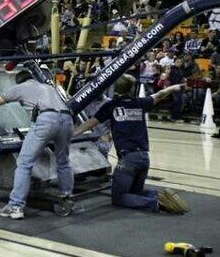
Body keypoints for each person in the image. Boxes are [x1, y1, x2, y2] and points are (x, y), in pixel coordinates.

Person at [0, 71, 74, 219]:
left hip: (46, 119)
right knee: (63, 161)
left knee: (24, 163)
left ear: (18, 81)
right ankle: (66, 196)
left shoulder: (20, 87)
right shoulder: (47, 87)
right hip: (67, 120)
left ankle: (15, 206)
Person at [74, 75, 189, 214]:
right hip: (144, 158)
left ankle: (155, 203)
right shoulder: (140, 103)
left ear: (116, 88)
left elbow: (89, 124)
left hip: (128, 160)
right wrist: (175, 87)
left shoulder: (111, 106)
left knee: (119, 198)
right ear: (132, 88)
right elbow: (160, 94)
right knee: (135, 192)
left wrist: (72, 134)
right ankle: (158, 195)